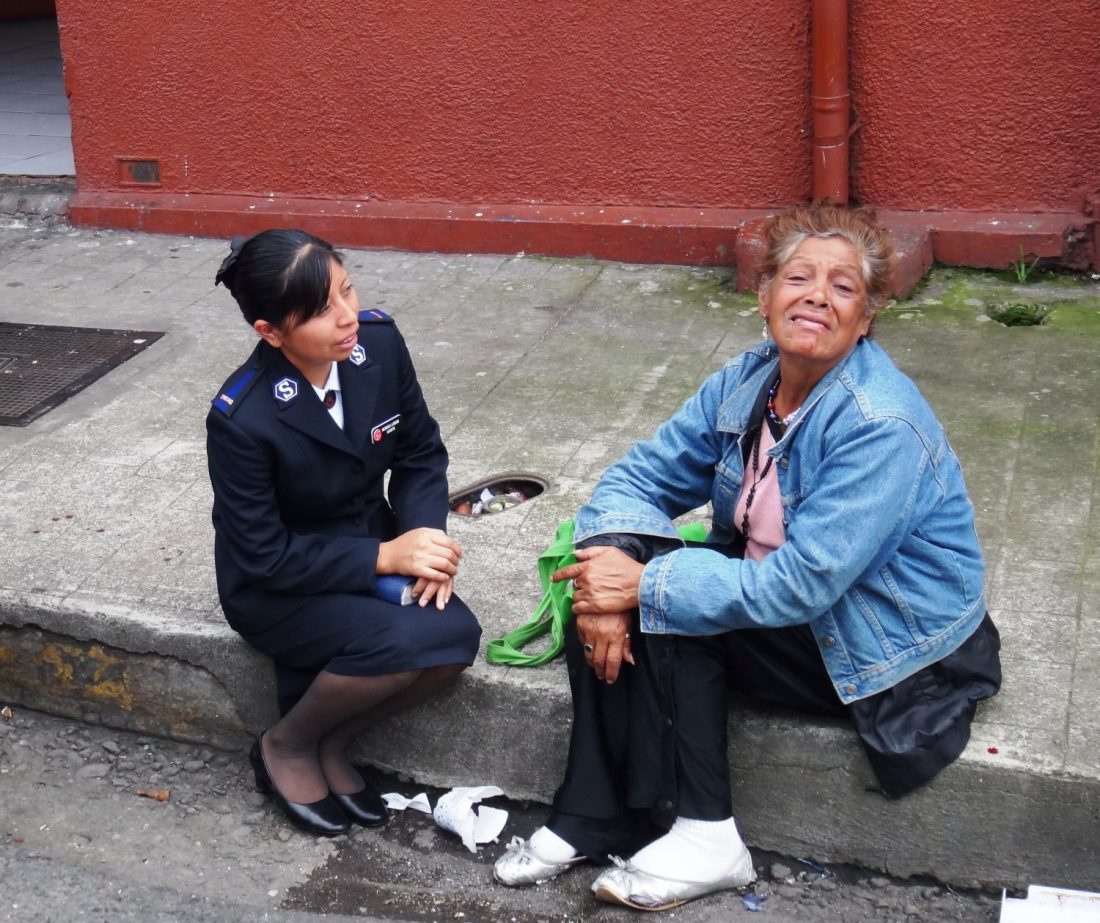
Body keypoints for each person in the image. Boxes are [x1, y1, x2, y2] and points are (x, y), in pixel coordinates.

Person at [492, 204, 1001, 910]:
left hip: (889, 646)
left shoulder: (879, 422)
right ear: (764, 297)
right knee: (603, 581)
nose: (817, 295)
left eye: (844, 287)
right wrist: (611, 563)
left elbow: (802, 585)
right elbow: (638, 477)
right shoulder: (749, 379)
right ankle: (590, 811)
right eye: (798, 277)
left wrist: (648, 583)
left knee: (670, 602)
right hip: (800, 606)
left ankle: (708, 836)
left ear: (867, 316)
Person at [206, 229, 481, 837]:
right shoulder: (242, 419)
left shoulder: (378, 345)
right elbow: (264, 554)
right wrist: (384, 556)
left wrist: (422, 540)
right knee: (400, 644)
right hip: (279, 585)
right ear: (270, 333)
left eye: (348, 291)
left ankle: (335, 740)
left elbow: (419, 453)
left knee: (456, 637)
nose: (347, 317)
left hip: (376, 547)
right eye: (321, 311)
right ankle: (287, 743)